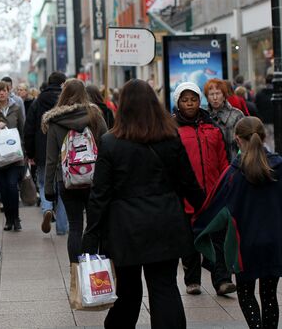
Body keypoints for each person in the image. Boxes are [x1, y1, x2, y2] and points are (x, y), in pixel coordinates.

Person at [82, 79, 205, 329]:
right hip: (166, 222)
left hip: (125, 228)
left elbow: (100, 194)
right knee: (164, 287)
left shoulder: (111, 142)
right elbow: (189, 183)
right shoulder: (170, 137)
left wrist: (91, 234)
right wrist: (206, 210)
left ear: (122, 107)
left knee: (127, 291)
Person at [194, 116, 282, 329]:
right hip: (275, 242)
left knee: (246, 292)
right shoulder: (278, 167)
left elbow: (213, 210)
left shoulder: (233, 174)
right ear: (263, 137)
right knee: (270, 295)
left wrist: (198, 232)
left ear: (237, 139)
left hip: (244, 246)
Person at [172, 82, 234, 296]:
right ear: (178, 103)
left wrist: (226, 184)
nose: (190, 104)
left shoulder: (212, 127)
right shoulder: (173, 129)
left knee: (218, 237)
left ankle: (222, 280)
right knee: (189, 241)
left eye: (193, 99)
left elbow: (223, 160)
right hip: (186, 197)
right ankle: (193, 281)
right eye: (185, 100)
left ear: (200, 101)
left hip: (213, 194)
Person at [42, 79, 107, 263]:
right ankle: (93, 269)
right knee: (94, 226)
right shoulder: (95, 116)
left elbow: (51, 159)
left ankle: (75, 273)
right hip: (94, 179)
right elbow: (107, 146)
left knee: (75, 226)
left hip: (67, 180)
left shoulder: (54, 121)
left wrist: (48, 188)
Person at [24, 71, 68, 235]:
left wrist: (30, 152)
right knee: (63, 187)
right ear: (63, 83)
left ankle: (47, 209)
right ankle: (62, 228)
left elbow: (28, 129)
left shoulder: (37, 102)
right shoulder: (66, 101)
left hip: (42, 150)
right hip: (63, 150)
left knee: (43, 183)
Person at [0, 81, 25, 231]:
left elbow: (22, 129)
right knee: (3, 189)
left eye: (4, 90)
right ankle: (8, 219)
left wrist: (25, 151)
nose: (2, 93)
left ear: (8, 91)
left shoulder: (16, 108)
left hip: (15, 155)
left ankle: (16, 218)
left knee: (12, 186)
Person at [205, 78, 244, 162]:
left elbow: (244, 143)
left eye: (218, 93)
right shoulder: (203, 116)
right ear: (207, 97)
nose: (215, 98)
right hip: (211, 165)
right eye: (211, 94)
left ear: (224, 95)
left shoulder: (237, 115)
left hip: (233, 164)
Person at [255, 74, 275, 150]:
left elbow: (256, 107)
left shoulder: (259, 94)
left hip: (264, 121)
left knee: (266, 141)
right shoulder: (277, 94)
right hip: (275, 121)